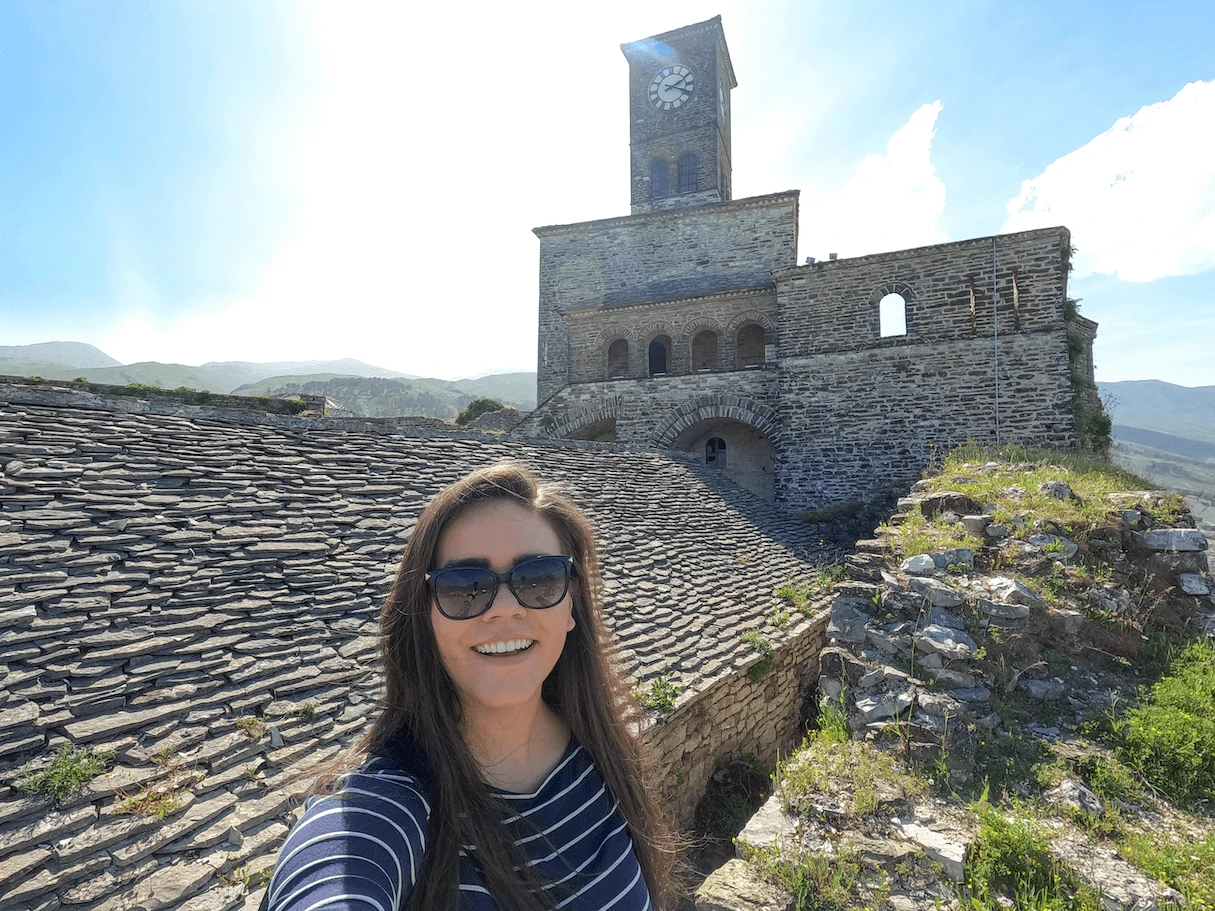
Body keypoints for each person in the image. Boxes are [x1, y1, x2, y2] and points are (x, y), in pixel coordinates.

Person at [264, 461, 675, 910]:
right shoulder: (387, 804)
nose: (503, 609)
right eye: (464, 585)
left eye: (539, 578)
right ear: (426, 616)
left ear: (571, 602)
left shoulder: (604, 752)